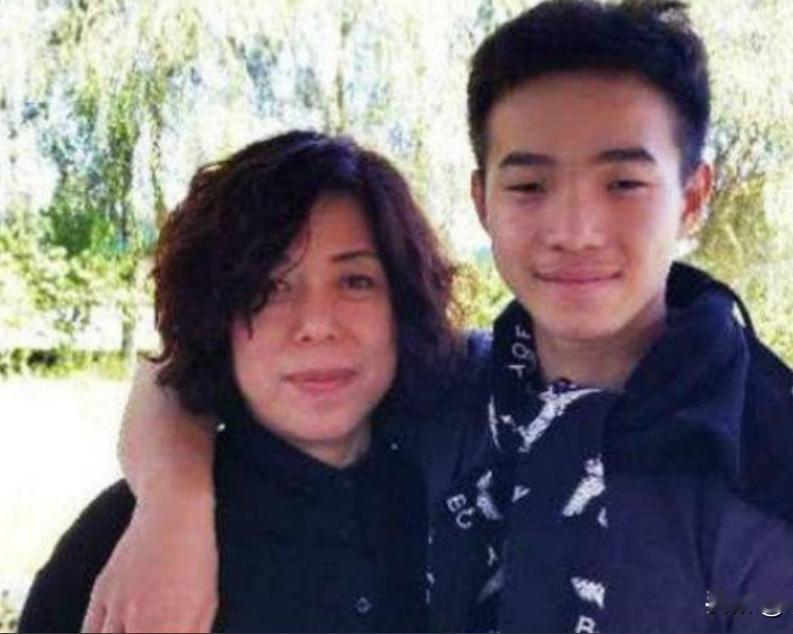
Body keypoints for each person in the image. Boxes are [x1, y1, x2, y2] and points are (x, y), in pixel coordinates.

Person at [78, 1, 793, 633]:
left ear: (691, 197)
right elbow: (187, 371)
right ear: (481, 200)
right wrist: (175, 507)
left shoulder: (787, 470)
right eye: (529, 184)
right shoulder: (451, 388)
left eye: (623, 183)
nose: (574, 229)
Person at [18, 130, 462, 632]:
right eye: (271, 286)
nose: (317, 323)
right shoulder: (130, 539)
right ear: (217, 314)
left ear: (402, 303)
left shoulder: (456, 501)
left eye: (356, 281)